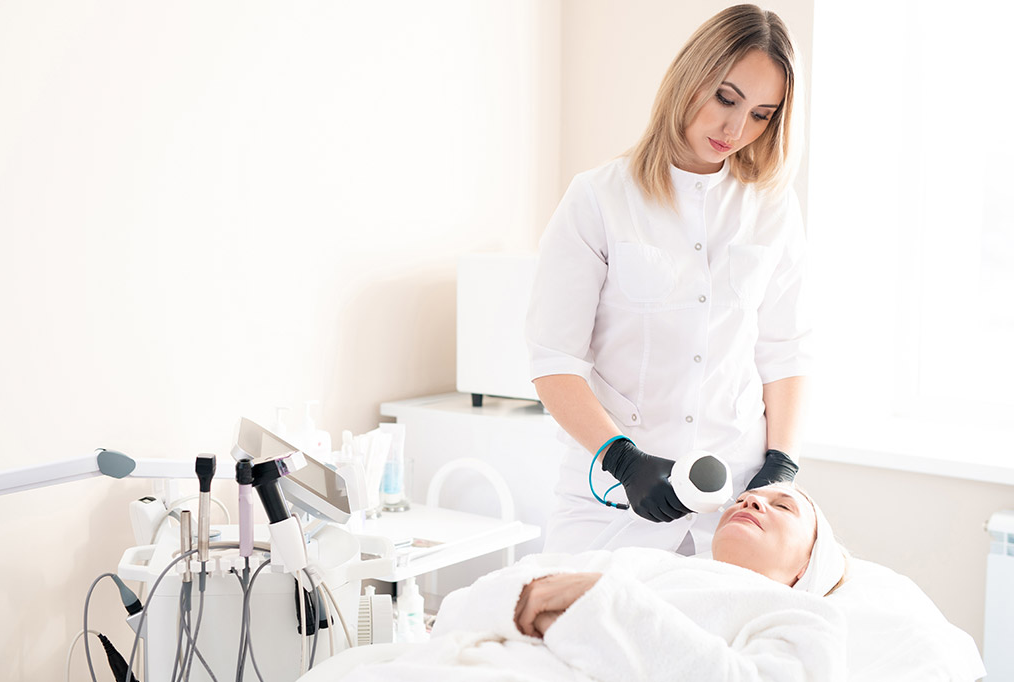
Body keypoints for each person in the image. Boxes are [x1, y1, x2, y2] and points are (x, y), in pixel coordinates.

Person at [526, 4, 811, 555]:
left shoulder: (773, 208)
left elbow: (787, 352)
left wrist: (781, 465)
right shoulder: (599, 199)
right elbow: (553, 362)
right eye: (726, 98)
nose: (736, 128)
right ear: (690, 76)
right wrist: (622, 458)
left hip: (733, 502)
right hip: (611, 500)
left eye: (761, 114)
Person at [331, 485, 848, 681]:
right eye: (746, 499)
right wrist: (526, 603)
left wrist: (596, 605)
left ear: (808, 566)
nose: (752, 501)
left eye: (783, 507)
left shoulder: (804, 617)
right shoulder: (633, 560)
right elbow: (468, 604)